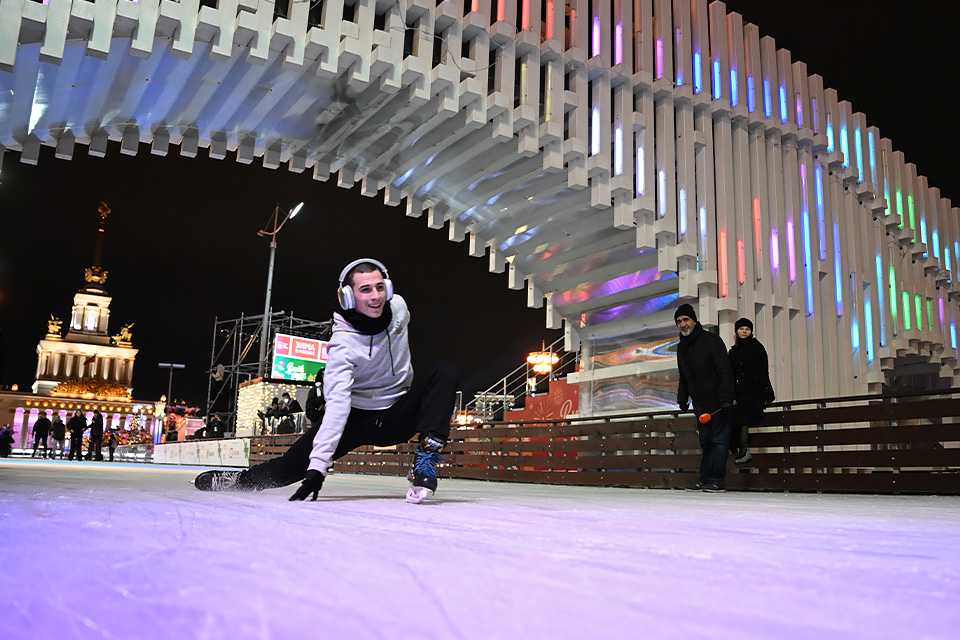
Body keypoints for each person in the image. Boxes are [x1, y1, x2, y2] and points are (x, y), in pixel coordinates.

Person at [194, 258, 459, 504]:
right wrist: (318, 467)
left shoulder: (398, 307)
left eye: (380, 287)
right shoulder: (342, 347)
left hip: (397, 413)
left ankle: (426, 458)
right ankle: (241, 480)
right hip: (356, 418)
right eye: (365, 290)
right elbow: (338, 406)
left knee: (445, 371)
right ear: (348, 296)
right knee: (291, 465)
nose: (376, 296)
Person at [675, 303, 735, 492]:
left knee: (719, 442)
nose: (683, 324)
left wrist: (726, 397)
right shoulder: (681, 347)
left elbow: (725, 370)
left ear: (694, 320)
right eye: (679, 321)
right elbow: (684, 376)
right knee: (706, 442)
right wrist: (682, 398)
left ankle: (717, 480)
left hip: (718, 403)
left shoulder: (711, 341)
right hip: (700, 405)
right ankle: (704, 479)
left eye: (686, 320)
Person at [728, 318, 775, 466]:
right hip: (739, 393)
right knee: (734, 415)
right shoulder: (733, 352)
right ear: (736, 331)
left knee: (742, 416)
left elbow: (763, 372)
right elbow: (730, 374)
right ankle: (739, 449)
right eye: (741, 328)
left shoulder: (757, 348)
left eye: (747, 329)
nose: (744, 331)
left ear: (751, 331)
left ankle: (743, 450)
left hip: (753, 394)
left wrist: (766, 394)